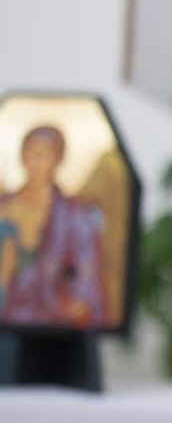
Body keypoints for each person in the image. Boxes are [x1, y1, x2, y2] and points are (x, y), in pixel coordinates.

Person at [0, 125, 108, 328]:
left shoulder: (75, 217)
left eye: (42, 155)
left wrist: (71, 305)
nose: (34, 162)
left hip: (52, 323)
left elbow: (86, 284)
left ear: (57, 160)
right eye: (29, 153)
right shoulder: (4, 207)